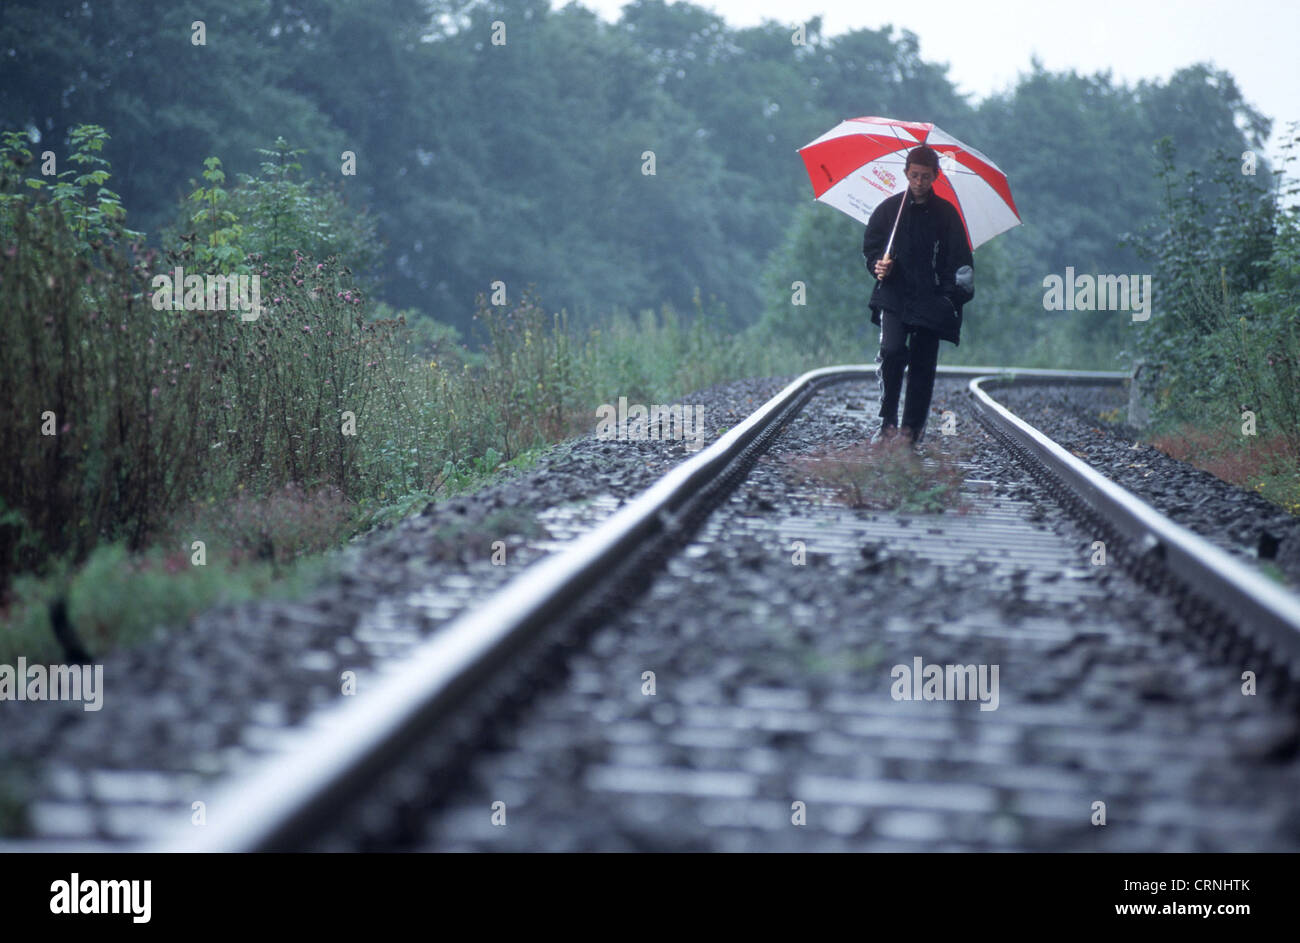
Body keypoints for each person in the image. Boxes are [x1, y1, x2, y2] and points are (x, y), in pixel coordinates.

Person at [862, 144, 974, 447]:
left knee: (923, 366)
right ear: (906, 174)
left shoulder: (947, 216)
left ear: (936, 176)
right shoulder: (889, 211)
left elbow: (961, 264)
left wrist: (950, 299)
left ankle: (911, 433)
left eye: (925, 176)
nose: (919, 182)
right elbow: (871, 248)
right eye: (914, 176)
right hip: (894, 297)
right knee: (892, 352)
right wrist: (878, 265)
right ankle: (887, 424)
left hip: (932, 301)